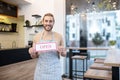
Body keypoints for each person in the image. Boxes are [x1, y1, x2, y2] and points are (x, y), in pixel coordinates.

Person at [28, 13, 66, 80]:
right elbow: (34, 56)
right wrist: (32, 53)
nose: (48, 23)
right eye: (46, 21)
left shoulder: (59, 36)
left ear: (53, 22)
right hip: (40, 71)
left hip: (55, 70)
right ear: (43, 22)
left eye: (50, 21)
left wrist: (62, 51)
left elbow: (64, 54)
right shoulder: (36, 37)